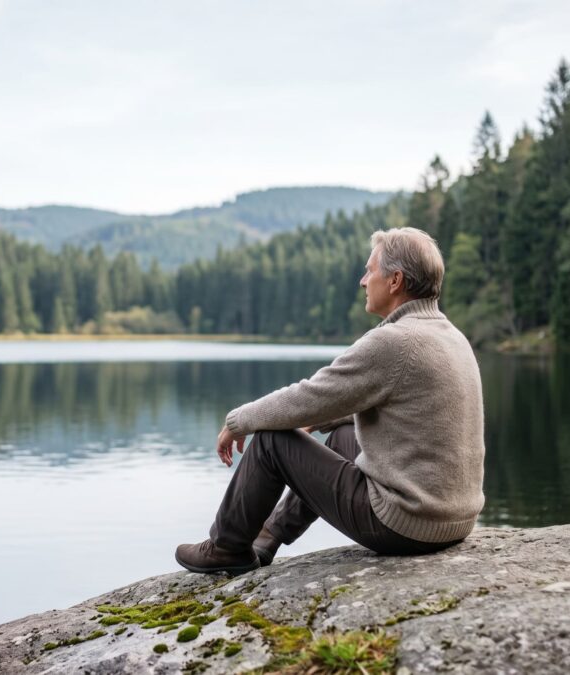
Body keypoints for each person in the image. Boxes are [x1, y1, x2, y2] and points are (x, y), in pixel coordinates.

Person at [175, 227, 485, 574]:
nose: (363, 280)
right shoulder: (450, 335)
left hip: (406, 526)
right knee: (342, 437)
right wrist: (318, 421)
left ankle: (227, 547)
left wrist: (238, 421)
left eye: (370, 270)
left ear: (395, 280)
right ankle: (268, 535)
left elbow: (310, 395)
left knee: (271, 440)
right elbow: (380, 409)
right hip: (455, 519)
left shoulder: (395, 342)